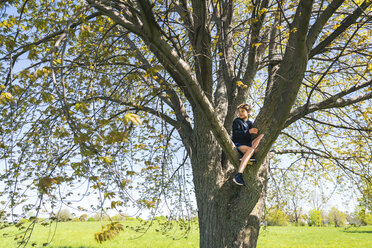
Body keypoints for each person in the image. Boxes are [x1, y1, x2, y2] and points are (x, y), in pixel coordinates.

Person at [232, 103, 264, 186]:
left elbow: (250, 138)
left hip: (248, 144)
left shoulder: (250, 123)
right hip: (238, 144)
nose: (240, 113)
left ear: (248, 112)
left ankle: (249, 156)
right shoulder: (237, 121)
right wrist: (249, 131)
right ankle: (238, 175)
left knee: (261, 136)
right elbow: (236, 134)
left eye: (242, 111)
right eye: (239, 112)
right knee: (251, 150)